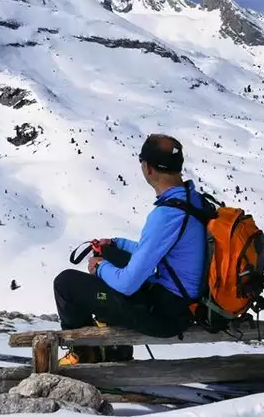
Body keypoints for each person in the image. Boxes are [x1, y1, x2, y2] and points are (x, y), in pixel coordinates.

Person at [53, 133, 208, 365]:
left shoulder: (166, 215)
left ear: (147, 168)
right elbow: (161, 250)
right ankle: (115, 349)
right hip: (184, 302)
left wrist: (100, 267)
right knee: (110, 254)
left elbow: (128, 284)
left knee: (66, 283)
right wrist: (116, 244)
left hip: (165, 315)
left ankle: (85, 353)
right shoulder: (193, 201)